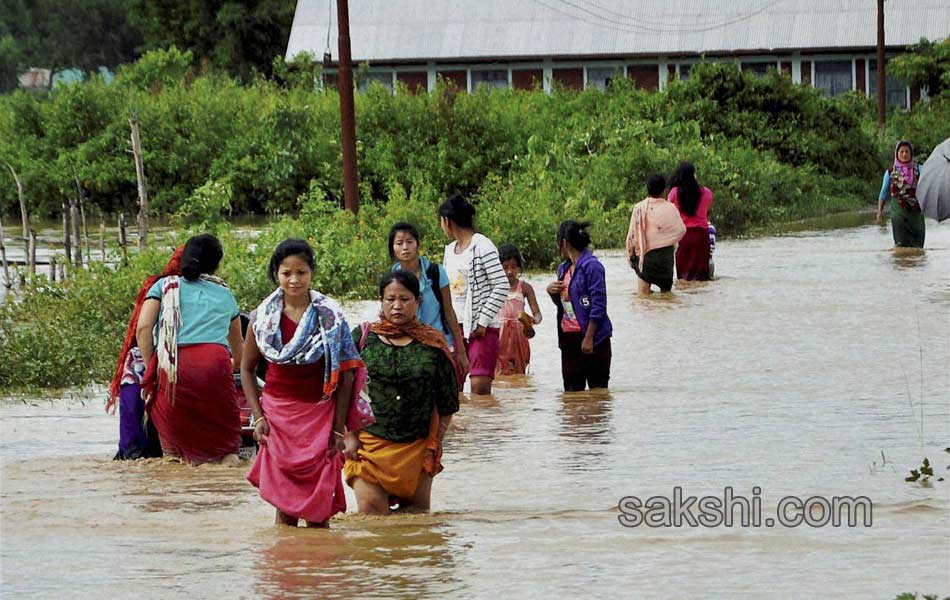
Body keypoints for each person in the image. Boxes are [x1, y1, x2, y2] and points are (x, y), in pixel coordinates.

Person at [242, 239, 366, 527]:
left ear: (312, 273)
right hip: (278, 418)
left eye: (302, 272)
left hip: (319, 415)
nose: (294, 280)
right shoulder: (261, 318)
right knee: (284, 513)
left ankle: (320, 570)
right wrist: (258, 417)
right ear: (276, 275)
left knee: (319, 513)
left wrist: (338, 428)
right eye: (287, 273)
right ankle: (287, 567)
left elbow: (346, 374)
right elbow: (247, 370)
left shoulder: (330, 316)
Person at [344, 271, 459, 514]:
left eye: (405, 299)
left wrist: (435, 442)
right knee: (371, 522)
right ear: (381, 301)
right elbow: (343, 391)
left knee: (416, 528)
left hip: (417, 451)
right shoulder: (363, 339)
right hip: (368, 447)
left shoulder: (433, 345)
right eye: (390, 299)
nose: (397, 306)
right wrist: (349, 437)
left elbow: (448, 401)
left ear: (418, 301)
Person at [135, 234, 244, 465]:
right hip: (217, 365)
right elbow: (239, 346)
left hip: (174, 366)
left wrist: (151, 369)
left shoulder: (163, 287)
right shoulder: (225, 294)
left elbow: (143, 328)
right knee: (226, 450)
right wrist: (231, 366)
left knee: (174, 457)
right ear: (216, 265)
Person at [106, 246, 184, 460]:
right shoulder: (164, 287)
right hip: (155, 366)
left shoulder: (157, 286)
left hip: (144, 366)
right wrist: (153, 370)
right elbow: (143, 330)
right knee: (157, 450)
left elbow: (142, 330)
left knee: (135, 453)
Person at [438, 194, 509, 395]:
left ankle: (484, 427)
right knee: (454, 389)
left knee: (479, 389)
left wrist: (483, 321)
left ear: (447, 221)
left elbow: (501, 285)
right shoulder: (450, 250)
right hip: (455, 328)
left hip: (481, 330)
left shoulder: (482, 245)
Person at [388, 222, 470, 383]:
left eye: (410, 242)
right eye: (399, 243)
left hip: (439, 344)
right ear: (393, 248)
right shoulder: (392, 279)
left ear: (418, 244)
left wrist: (461, 352)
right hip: (407, 347)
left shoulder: (436, 272)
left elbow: (449, 313)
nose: (405, 247)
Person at [546, 221, 613, 391]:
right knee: (572, 398)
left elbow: (599, 305)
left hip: (594, 338)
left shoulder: (592, 266)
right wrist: (552, 293)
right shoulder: (564, 269)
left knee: (598, 394)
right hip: (569, 339)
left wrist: (589, 337)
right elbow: (566, 305)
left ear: (564, 244)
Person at [625, 174, 686, 294]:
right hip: (666, 258)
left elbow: (632, 237)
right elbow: (681, 230)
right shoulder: (671, 208)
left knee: (643, 296)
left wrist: (631, 256)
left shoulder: (639, 208)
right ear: (664, 190)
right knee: (667, 296)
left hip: (646, 257)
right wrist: (665, 240)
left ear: (648, 189)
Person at [495, 244, 542, 375]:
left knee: (519, 371)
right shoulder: (494, 287)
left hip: (519, 336)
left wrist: (533, 320)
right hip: (499, 334)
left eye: (513, 267)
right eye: (505, 268)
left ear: (519, 268)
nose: (509, 271)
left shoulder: (525, 287)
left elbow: (538, 314)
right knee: (498, 372)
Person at [668, 162, 714, 281]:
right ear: (693, 175)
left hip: (683, 235)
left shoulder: (674, 193)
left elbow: (670, 213)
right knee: (701, 276)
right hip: (702, 236)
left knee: (684, 276)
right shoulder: (707, 192)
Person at [877, 140, 925, 248]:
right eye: (901, 151)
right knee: (901, 244)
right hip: (899, 213)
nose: (904, 154)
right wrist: (879, 211)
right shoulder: (890, 172)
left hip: (916, 213)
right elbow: (884, 192)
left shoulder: (920, 169)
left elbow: (928, 186)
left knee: (917, 247)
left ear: (911, 154)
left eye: (907, 152)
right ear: (897, 154)